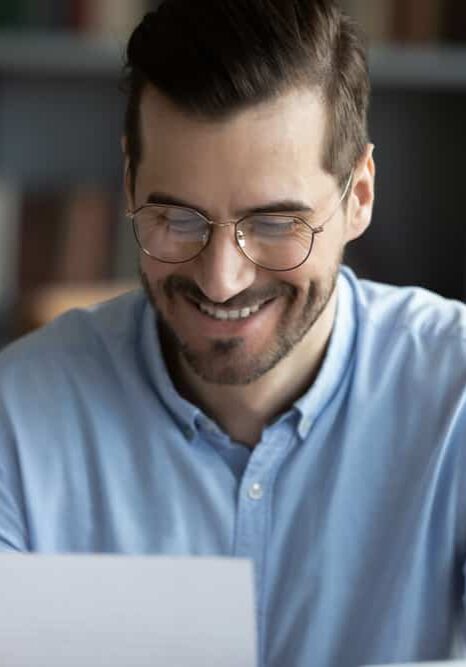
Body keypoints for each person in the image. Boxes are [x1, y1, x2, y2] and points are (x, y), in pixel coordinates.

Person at [1, 0, 466, 665]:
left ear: (358, 196)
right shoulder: (16, 421)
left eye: (276, 223)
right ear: (131, 182)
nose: (221, 280)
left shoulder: (455, 395)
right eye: (178, 218)